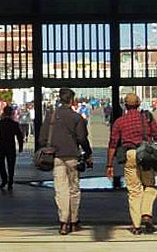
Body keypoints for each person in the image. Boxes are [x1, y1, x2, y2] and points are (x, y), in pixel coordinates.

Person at [106, 93, 157, 235]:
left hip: (130, 154)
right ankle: (146, 214)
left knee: (134, 190)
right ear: (139, 104)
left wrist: (109, 165)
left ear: (125, 105)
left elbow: (113, 144)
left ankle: (136, 226)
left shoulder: (120, 122)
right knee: (149, 186)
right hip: (146, 155)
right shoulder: (147, 119)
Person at [40, 87, 93, 235]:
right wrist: (88, 153)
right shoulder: (76, 117)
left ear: (59, 98)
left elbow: (42, 139)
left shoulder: (51, 116)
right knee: (74, 189)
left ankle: (64, 223)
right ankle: (74, 221)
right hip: (72, 156)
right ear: (72, 100)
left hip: (56, 157)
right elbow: (82, 138)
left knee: (61, 190)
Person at [0, 106, 24, 191]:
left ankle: (4, 179)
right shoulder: (14, 124)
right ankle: (10, 181)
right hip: (11, 146)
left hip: (1, 146)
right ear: (12, 113)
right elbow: (19, 136)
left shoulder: (0, 123)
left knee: (1, 164)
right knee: (11, 164)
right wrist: (20, 146)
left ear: (3, 113)